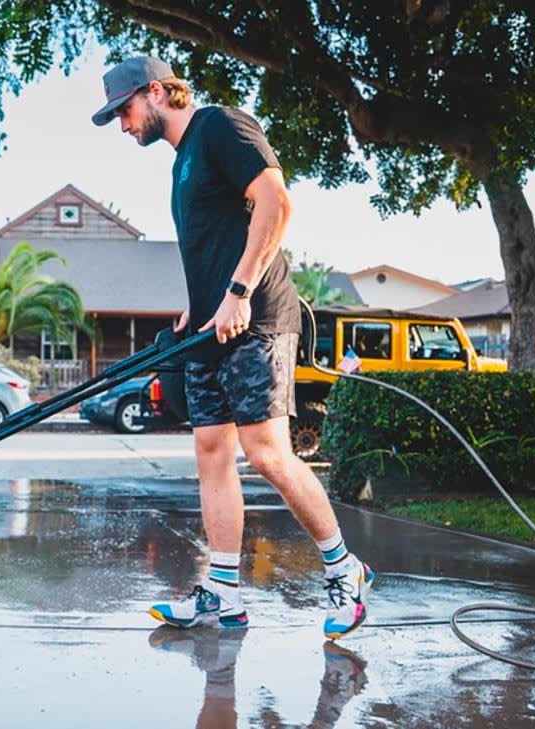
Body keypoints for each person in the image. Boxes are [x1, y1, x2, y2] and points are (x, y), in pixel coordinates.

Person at [92, 56, 373, 639]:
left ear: (155, 92)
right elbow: (217, 239)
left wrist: (240, 291)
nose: (122, 126)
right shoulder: (181, 165)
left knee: (267, 454)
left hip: (258, 316)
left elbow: (276, 204)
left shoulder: (220, 126)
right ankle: (221, 593)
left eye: (123, 110)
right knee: (210, 454)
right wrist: (199, 303)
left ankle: (347, 569)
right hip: (212, 326)